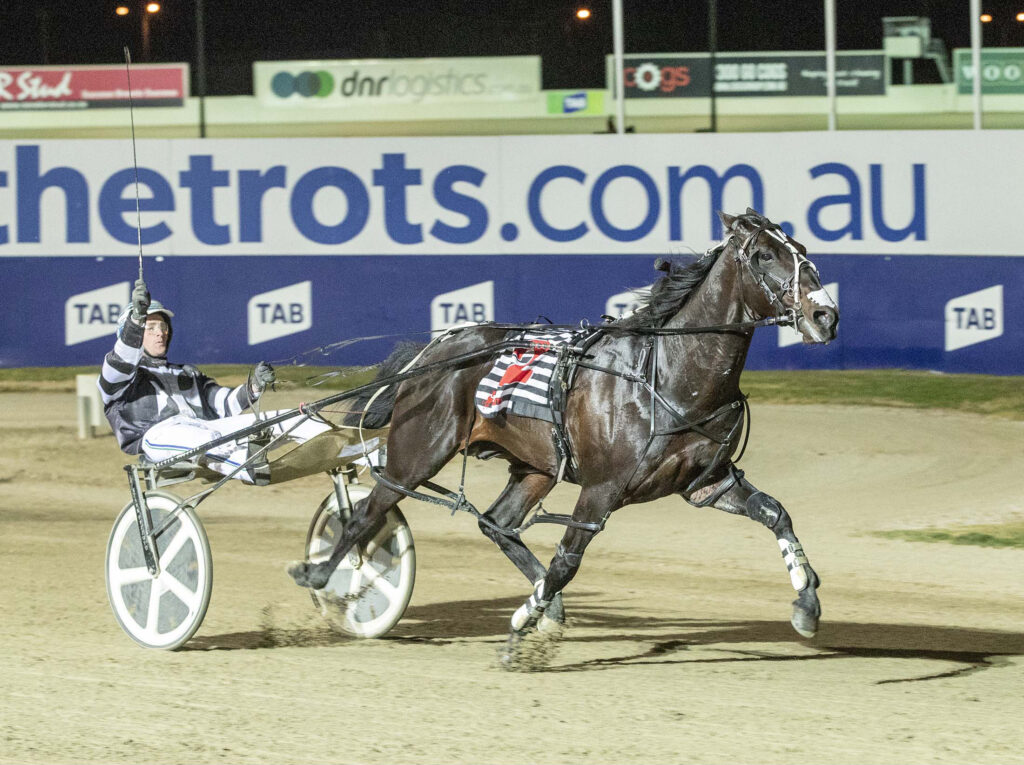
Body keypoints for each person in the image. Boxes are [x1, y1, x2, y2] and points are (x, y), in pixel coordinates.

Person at [98, 278, 372, 484]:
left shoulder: (187, 373)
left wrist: (252, 387)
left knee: (298, 418)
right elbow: (121, 360)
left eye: (163, 327)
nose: (160, 333)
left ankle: (367, 454)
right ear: (131, 333)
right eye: (150, 328)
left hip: (208, 429)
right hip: (158, 437)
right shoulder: (121, 377)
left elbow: (223, 404)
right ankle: (249, 465)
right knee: (210, 438)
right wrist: (136, 319)